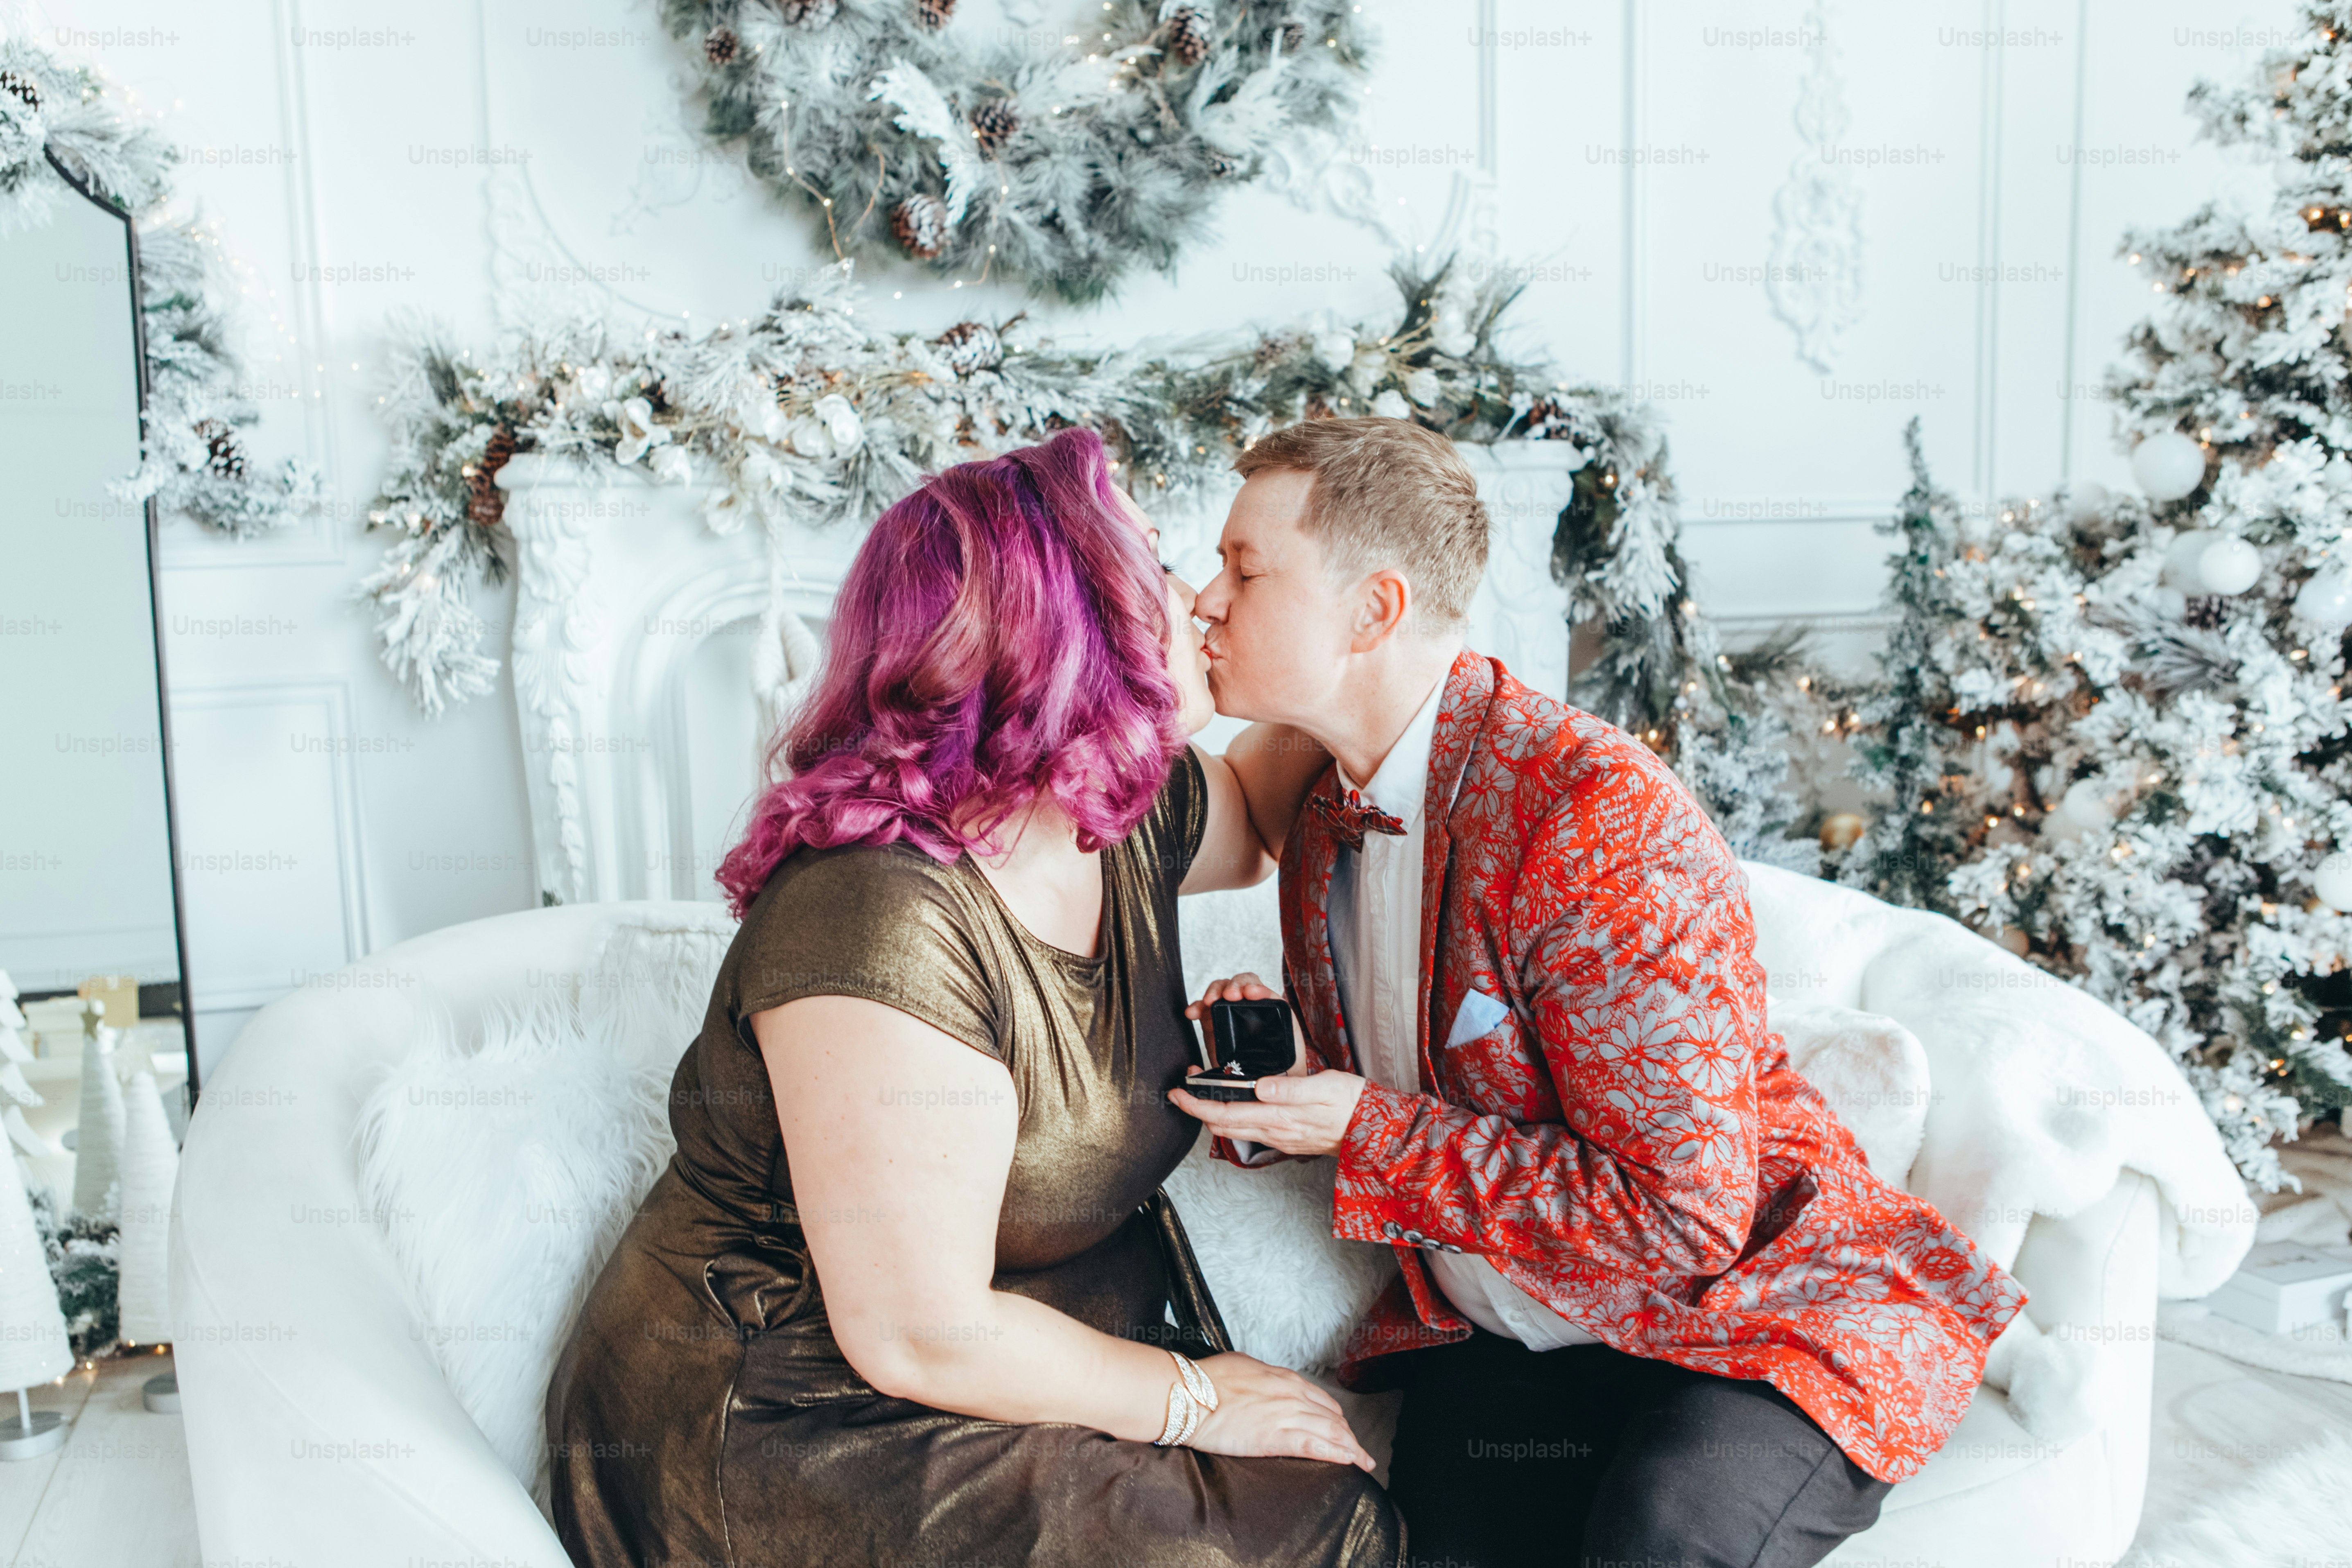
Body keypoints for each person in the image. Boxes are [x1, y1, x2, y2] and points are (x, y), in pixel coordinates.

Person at [1169, 416, 2030, 1568]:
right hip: (1507, 1327)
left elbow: (1680, 1216)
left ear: (1373, 610)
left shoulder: (1589, 817)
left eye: (1242, 570)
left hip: (1748, 1307)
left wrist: (1365, 1126)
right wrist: (1288, 1098)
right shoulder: (1317, 794)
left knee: (1660, 1539)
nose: (1203, 604)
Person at [543, 426, 1405, 1568]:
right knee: (1292, 1539)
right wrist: (1191, 1398)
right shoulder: (878, 913)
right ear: (1068, 619)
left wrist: (1350, 659)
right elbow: (915, 1334)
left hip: (989, 1344)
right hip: (796, 1411)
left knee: (1324, 1504)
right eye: (1159, 568)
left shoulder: (1112, 809)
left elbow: (1251, 816)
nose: (1201, 600)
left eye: (1223, 576)